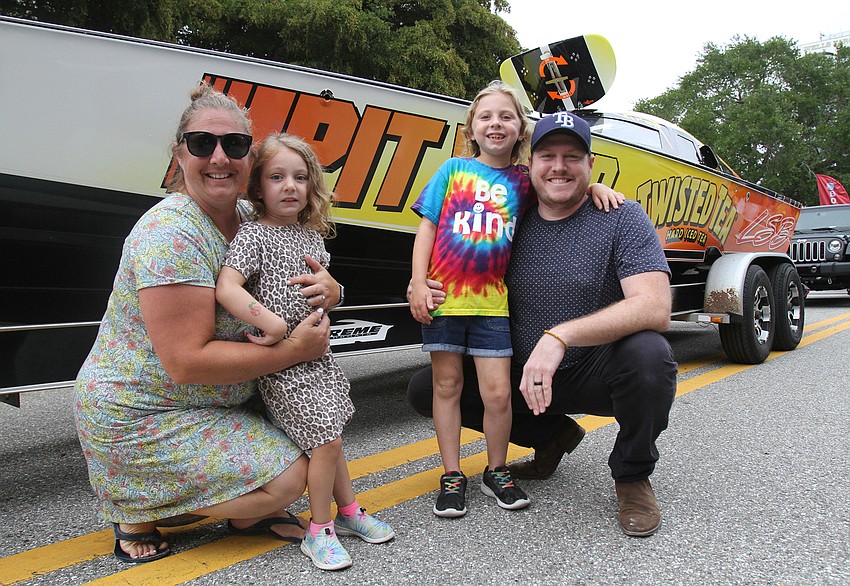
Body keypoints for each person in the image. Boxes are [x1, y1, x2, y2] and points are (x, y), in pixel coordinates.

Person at [73, 83, 340, 564]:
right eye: (203, 144)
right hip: (147, 414)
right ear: (180, 153)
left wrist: (332, 290)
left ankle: (244, 512)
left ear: (250, 158)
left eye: (234, 145)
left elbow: (304, 270)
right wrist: (295, 351)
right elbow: (185, 361)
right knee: (291, 479)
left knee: (317, 437)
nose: (219, 157)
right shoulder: (169, 234)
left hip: (224, 402)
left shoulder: (249, 215)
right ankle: (137, 503)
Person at [407, 111, 677, 537]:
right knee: (428, 388)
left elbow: (655, 307)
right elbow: (448, 233)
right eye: (547, 155)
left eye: (573, 157)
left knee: (650, 357)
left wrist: (561, 337)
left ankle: (631, 474)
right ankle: (552, 436)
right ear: (528, 165)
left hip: (593, 369)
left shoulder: (622, 215)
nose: (559, 167)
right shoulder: (509, 215)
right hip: (521, 372)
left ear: (591, 165)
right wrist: (418, 283)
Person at [215, 134, 394, 571]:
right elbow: (227, 287)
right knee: (325, 440)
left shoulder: (311, 239)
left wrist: (336, 292)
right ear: (258, 188)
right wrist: (270, 323)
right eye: (277, 178)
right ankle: (320, 530)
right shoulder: (255, 235)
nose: (289, 186)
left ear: (312, 186)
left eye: (299, 178)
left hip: (318, 357)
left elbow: (326, 289)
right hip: (284, 365)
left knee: (329, 437)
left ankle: (348, 512)